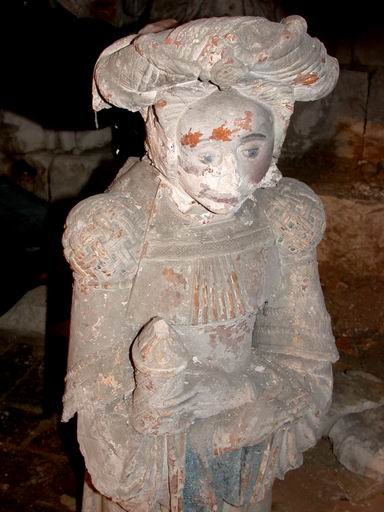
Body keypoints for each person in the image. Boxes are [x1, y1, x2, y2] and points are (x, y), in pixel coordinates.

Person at [62, 15, 339, 511]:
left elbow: (307, 362)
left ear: (278, 135)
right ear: (166, 141)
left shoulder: (283, 217)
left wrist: (234, 392)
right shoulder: (113, 230)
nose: (232, 179)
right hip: (147, 476)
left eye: (251, 148)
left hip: (246, 447)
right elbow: (96, 390)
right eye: (205, 155)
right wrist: (152, 413)